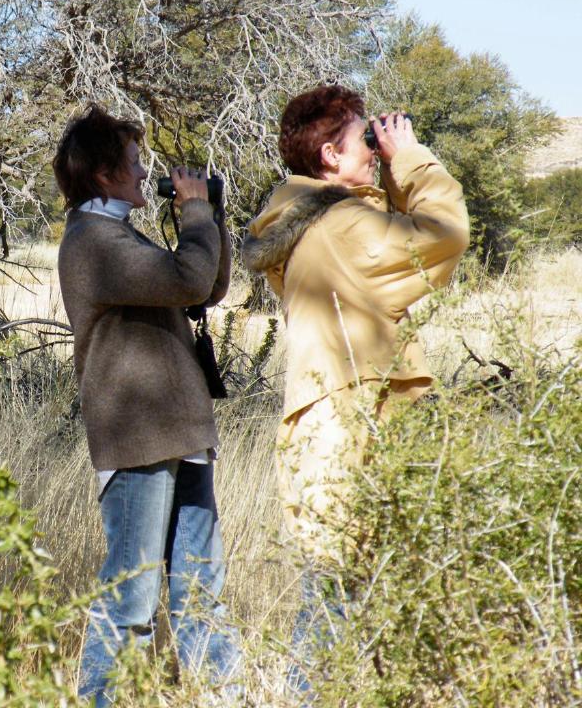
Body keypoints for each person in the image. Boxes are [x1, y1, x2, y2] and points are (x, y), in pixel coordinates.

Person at [240, 85, 470, 693]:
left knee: (344, 595)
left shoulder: (305, 223)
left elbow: (389, 246)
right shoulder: (343, 225)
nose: (373, 150)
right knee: (337, 602)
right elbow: (443, 236)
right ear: (327, 158)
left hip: (329, 424)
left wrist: (385, 178)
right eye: (361, 141)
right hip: (350, 428)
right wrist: (412, 160)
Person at [54, 104, 237, 706]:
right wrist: (192, 212)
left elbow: (208, 283)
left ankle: (223, 695)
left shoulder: (120, 234)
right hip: (136, 437)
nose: (143, 174)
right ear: (103, 175)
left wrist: (210, 212)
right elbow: (188, 278)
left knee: (199, 588)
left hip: (180, 431)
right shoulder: (92, 242)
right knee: (130, 597)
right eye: (133, 163)